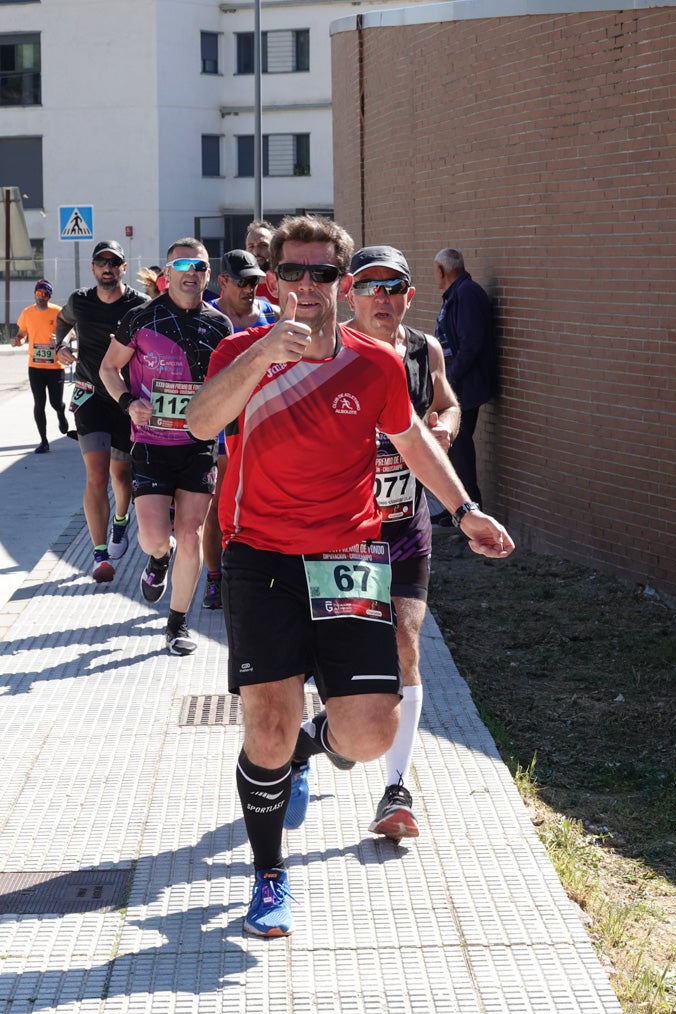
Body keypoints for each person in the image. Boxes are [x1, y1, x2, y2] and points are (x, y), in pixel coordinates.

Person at [186, 214, 514, 937]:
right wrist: (263, 354)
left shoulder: (374, 363)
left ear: (340, 281)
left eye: (321, 273)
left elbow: (414, 439)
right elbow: (203, 425)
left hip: (349, 559)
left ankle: (308, 750)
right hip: (260, 555)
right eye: (293, 274)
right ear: (274, 283)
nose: (307, 286)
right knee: (263, 728)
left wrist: (464, 511)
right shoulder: (241, 349)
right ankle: (269, 875)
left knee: (367, 733)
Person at [338, 244, 460, 840]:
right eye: (370, 286)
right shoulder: (329, 353)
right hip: (344, 532)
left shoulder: (423, 350)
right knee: (336, 656)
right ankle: (307, 742)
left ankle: (395, 789)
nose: (382, 298)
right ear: (350, 294)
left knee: (405, 645)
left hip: (406, 523)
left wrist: (445, 428)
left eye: (393, 288)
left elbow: (450, 403)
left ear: (410, 296)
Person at [99, 238, 232, 654]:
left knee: (190, 535)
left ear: (208, 275)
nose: (192, 273)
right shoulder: (141, 318)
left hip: (198, 444)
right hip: (152, 443)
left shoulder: (220, 325)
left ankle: (177, 624)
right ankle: (159, 560)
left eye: (200, 266)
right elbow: (108, 367)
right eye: (183, 265)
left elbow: (229, 384)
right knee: (155, 538)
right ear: (167, 273)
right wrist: (127, 402)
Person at [56, 241, 149, 582]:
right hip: (90, 396)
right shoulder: (79, 300)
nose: (108, 268)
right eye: (102, 262)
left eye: (115, 263)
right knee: (96, 474)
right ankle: (99, 556)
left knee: (121, 477)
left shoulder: (140, 304)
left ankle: (121, 523)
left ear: (124, 267)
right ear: (93, 268)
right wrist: (60, 346)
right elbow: (61, 320)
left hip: (126, 399)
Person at [201, 249, 277, 611]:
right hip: (222, 420)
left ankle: (262, 575)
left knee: (263, 499)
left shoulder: (270, 315)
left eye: (255, 282)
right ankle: (214, 578)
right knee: (221, 502)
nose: (250, 288)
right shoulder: (207, 315)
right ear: (224, 281)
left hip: (263, 420)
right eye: (243, 281)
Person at [433, 247, 499, 519]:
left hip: (464, 387)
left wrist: (452, 377)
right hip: (457, 384)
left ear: (441, 271)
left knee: (457, 445)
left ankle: (468, 511)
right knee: (452, 445)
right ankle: (456, 510)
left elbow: (471, 342)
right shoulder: (456, 294)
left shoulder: (467, 293)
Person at [12, 279, 68, 454]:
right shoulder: (27, 313)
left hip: (55, 367)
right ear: (35, 294)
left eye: (44, 294)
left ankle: (61, 412)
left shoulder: (57, 312)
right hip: (35, 366)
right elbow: (21, 333)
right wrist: (18, 340)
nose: (41, 297)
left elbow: (70, 332)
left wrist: (61, 340)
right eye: (38, 294)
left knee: (55, 403)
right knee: (39, 403)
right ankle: (44, 441)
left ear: (49, 296)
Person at [245, 219, 279, 306]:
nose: (256, 252)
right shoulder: (233, 288)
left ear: (274, 249)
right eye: (251, 246)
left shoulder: (286, 286)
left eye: (263, 245)